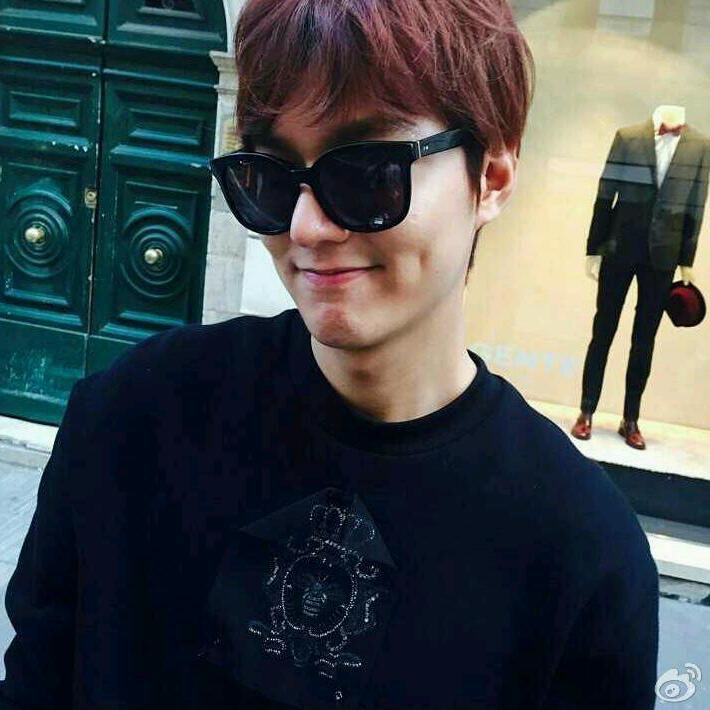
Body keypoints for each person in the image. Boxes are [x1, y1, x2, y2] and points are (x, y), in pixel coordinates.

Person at [1, 0, 659, 708]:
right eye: (270, 177)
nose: (308, 226)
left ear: (491, 177)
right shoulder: (128, 419)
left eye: (369, 172)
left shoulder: (580, 554)